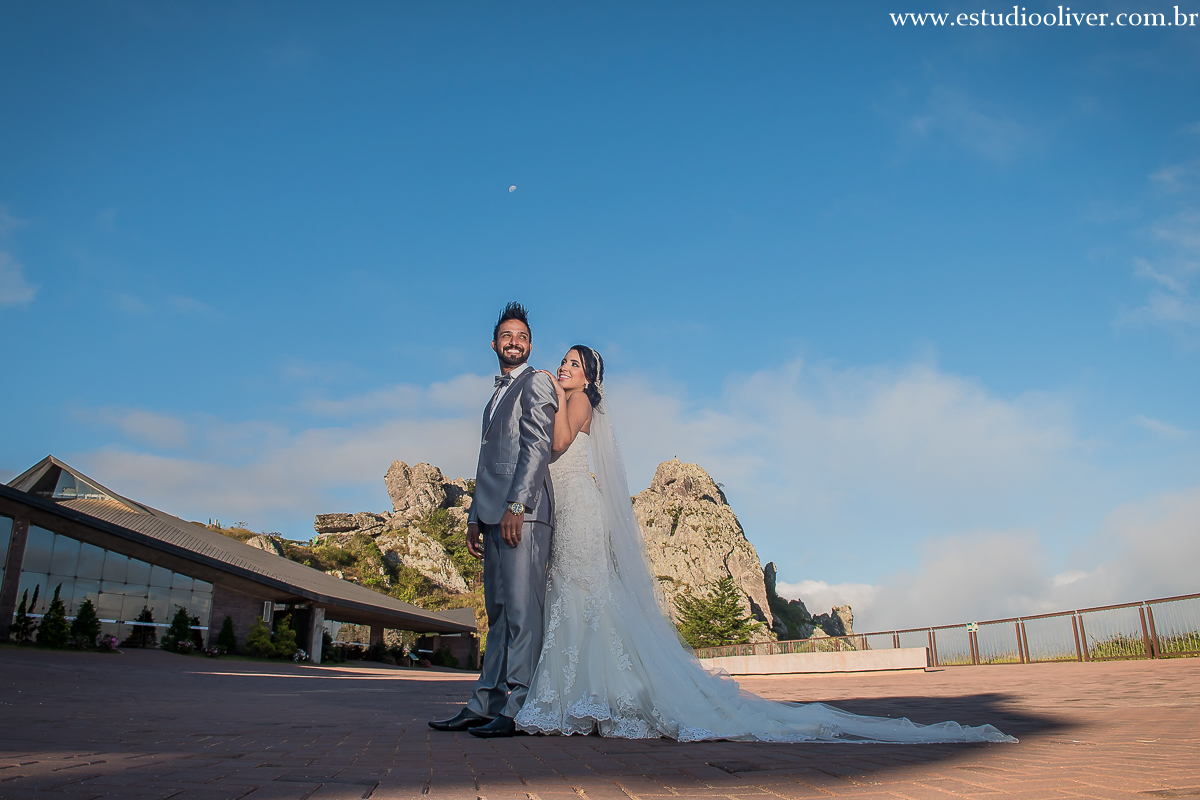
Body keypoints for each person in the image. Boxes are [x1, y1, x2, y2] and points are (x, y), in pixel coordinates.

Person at [513, 345, 1017, 744]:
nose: (564, 368)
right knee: (577, 597)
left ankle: (592, 698)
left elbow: (557, 443)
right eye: (564, 363)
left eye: (573, 364)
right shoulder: (575, 399)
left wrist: (553, 395)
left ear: (589, 376)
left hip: (580, 509)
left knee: (587, 597)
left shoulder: (578, 400)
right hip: (570, 507)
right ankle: (585, 696)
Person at [428, 302, 559, 739]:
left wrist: (517, 506)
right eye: (507, 336)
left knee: (522, 613)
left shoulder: (537, 382)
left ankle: (520, 708)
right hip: (491, 515)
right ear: (494, 344)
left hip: (524, 515)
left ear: (530, 345)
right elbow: (487, 462)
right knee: (499, 614)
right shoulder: (493, 398)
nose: (514, 342)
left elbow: (537, 446)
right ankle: (485, 703)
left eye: (522, 336)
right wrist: (473, 517)